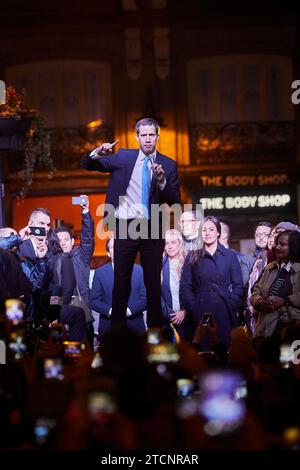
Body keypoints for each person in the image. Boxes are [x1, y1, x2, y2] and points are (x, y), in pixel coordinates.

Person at [81, 117, 180, 329]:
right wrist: (98, 152)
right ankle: (117, 336)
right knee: (121, 282)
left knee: (153, 284)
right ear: (136, 137)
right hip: (125, 224)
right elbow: (88, 164)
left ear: (157, 136)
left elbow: (175, 200)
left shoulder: (168, 164)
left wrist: (162, 181)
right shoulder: (124, 157)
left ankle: (154, 337)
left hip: (152, 227)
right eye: (143, 135)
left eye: (151, 135)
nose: (147, 139)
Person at [180, 216, 244, 349]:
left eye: (211, 229)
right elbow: (185, 286)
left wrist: (230, 305)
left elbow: (238, 285)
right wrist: (193, 307)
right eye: (204, 230)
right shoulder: (192, 256)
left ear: (218, 232)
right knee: (203, 352)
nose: (207, 233)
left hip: (224, 310)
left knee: (223, 351)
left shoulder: (230, 256)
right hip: (200, 311)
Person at [90, 237, 147, 341]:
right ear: (108, 253)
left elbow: (145, 298)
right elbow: (94, 301)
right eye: (113, 247)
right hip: (109, 329)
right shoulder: (100, 273)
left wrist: (129, 311)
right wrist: (112, 311)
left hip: (135, 328)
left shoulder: (139, 271)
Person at [250, 230, 300, 338]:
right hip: (265, 328)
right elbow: (255, 291)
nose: (277, 247)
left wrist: (285, 301)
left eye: (282, 244)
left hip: (292, 330)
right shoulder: (269, 268)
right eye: (277, 243)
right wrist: (259, 302)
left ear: (293, 246)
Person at [161, 229, 186, 338]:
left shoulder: (188, 264)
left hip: (187, 319)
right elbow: (157, 295)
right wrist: (170, 314)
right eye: (167, 243)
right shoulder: (159, 266)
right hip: (167, 320)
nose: (170, 246)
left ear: (180, 244)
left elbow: (194, 291)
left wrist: (184, 312)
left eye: (173, 243)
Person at [219, 221, 248, 286]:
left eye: (214, 230)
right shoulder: (205, 257)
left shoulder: (240, 258)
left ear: (224, 236)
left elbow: (241, 283)